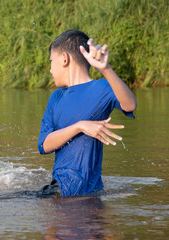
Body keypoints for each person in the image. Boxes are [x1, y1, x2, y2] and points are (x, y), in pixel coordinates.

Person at [38, 29, 137, 197]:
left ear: (64, 58)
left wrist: (106, 69)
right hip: (58, 192)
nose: (50, 70)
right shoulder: (56, 97)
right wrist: (79, 126)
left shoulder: (102, 88)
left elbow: (129, 105)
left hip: (91, 192)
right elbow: (44, 145)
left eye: (51, 62)